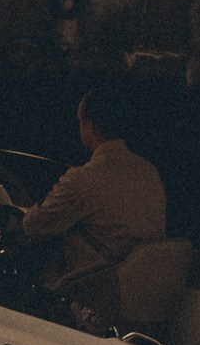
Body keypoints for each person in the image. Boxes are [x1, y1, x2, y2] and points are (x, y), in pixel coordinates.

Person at [18, 86, 167, 284]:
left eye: (80, 122)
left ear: (90, 127)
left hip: (103, 285)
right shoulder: (148, 170)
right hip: (148, 281)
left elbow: (33, 225)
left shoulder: (83, 179)